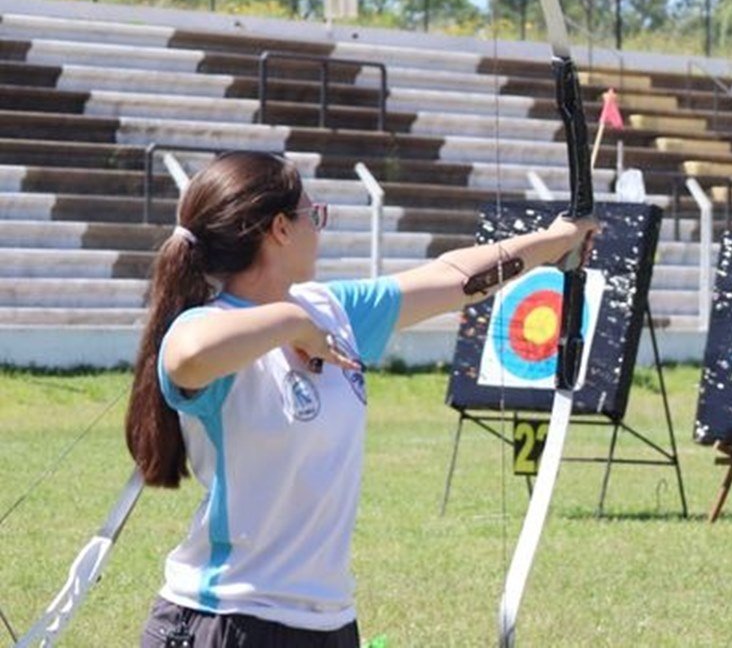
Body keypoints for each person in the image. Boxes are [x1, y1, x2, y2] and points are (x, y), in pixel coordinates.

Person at [125, 151, 596, 647]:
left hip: (327, 622)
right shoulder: (206, 323)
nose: (319, 228)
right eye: (315, 215)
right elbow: (186, 355)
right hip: (225, 619)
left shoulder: (332, 309)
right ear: (280, 229)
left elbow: (455, 278)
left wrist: (555, 241)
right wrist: (294, 324)